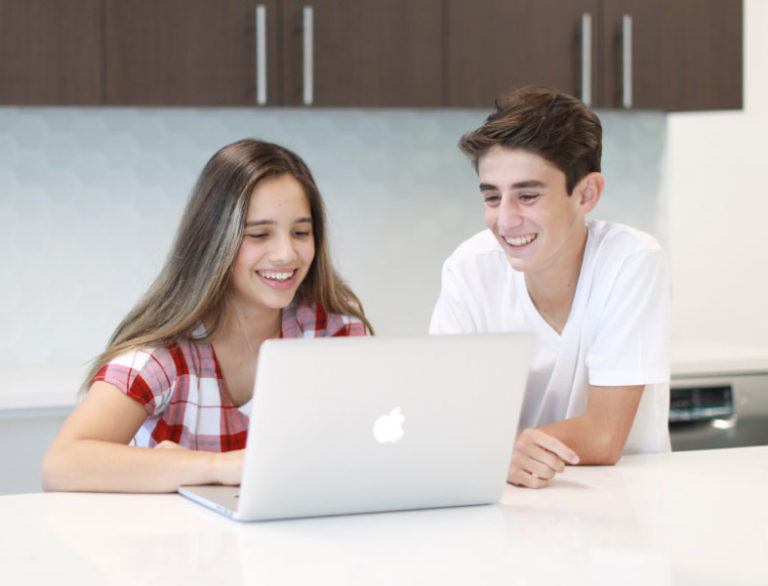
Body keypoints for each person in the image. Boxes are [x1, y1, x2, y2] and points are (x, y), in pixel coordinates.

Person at [42, 139, 373, 493]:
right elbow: (62, 465)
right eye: (259, 234)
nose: (285, 253)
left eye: (300, 233)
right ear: (214, 241)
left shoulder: (334, 335)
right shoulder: (163, 355)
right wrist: (220, 466)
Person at [429, 86, 670, 489]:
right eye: (492, 197)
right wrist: (492, 452)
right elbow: (442, 416)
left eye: (527, 196)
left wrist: (500, 449)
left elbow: (604, 437)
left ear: (586, 194)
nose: (505, 220)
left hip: (623, 503)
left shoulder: (630, 262)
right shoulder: (468, 269)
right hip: (514, 501)